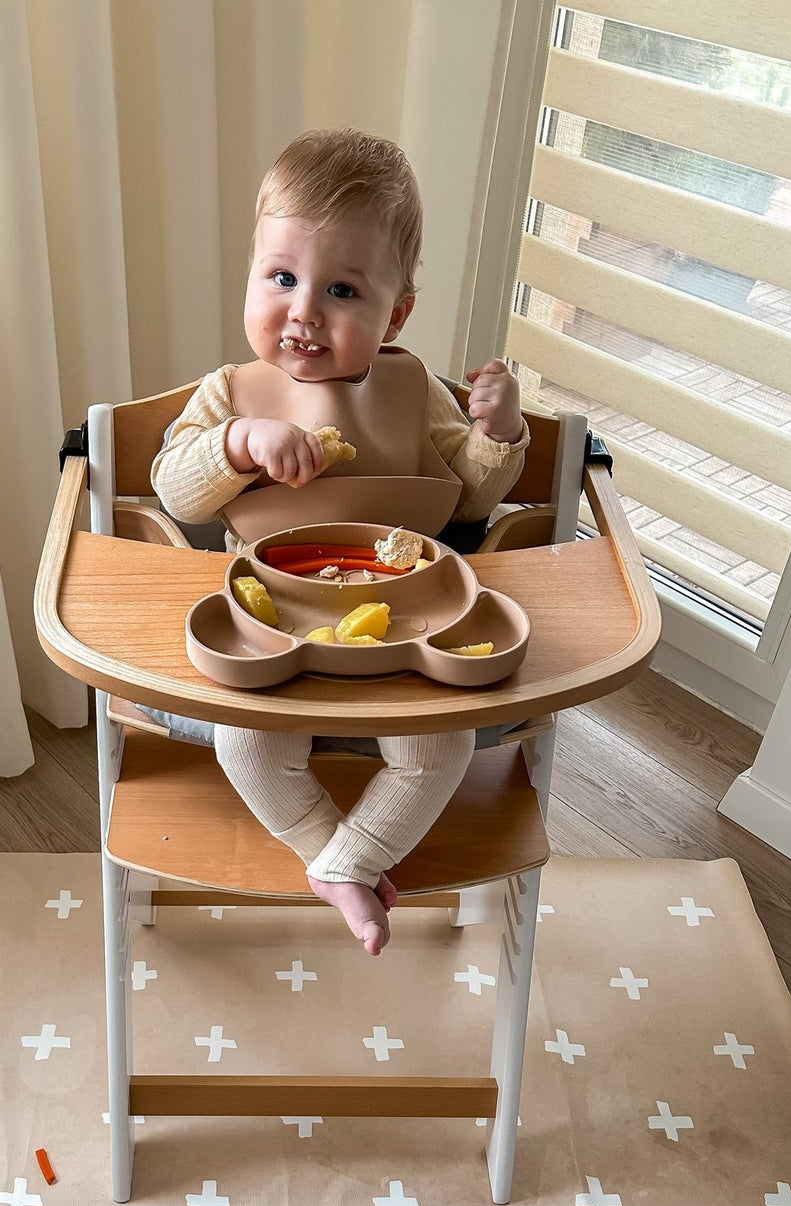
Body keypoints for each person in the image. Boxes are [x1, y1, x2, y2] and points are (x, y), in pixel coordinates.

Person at [150, 128, 529, 956]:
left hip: (405, 625)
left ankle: (350, 860)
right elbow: (173, 489)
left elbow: (465, 492)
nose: (304, 312)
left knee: (443, 745)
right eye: (281, 278)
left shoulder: (412, 388)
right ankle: (335, 856)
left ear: (395, 313)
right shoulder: (233, 393)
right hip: (268, 621)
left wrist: (496, 434)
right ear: (250, 277)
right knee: (243, 740)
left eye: (343, 291)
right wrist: (237, 445)